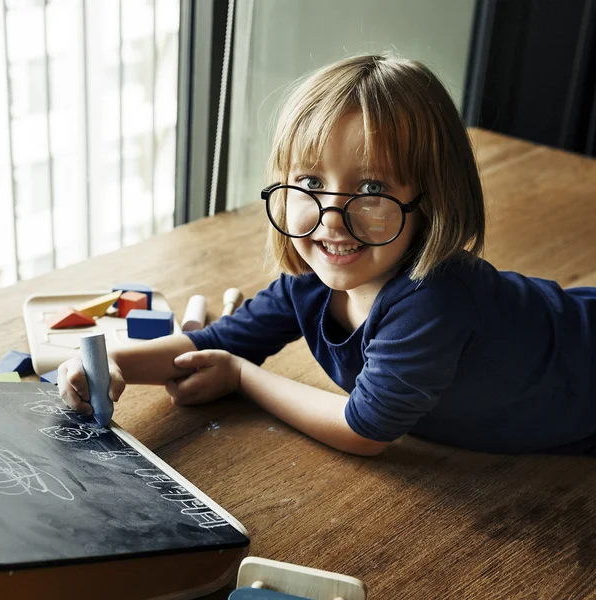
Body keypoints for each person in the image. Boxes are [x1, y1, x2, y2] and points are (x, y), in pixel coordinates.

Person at [58, 53, 596, 457]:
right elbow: (212, 342)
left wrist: (243, 377)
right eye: (311, 181)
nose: (332, 217)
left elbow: (363, 430)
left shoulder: (433, 302)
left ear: (434, 200)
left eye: (371, 189)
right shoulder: (311, 280)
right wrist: (109, 362)